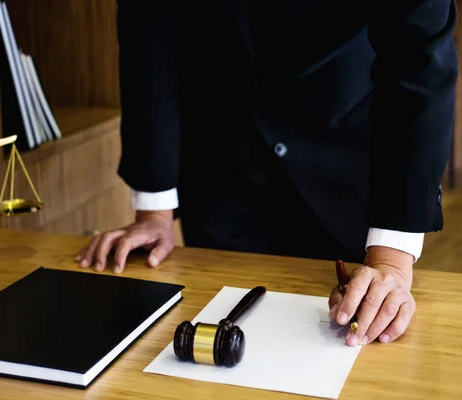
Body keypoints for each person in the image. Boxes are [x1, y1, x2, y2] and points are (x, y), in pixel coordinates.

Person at [75, 0, 458, 347]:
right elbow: (150, 30)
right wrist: (154, 209)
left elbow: (419, 57)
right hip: (220, 157)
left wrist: (390, 260)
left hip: (349, 151)